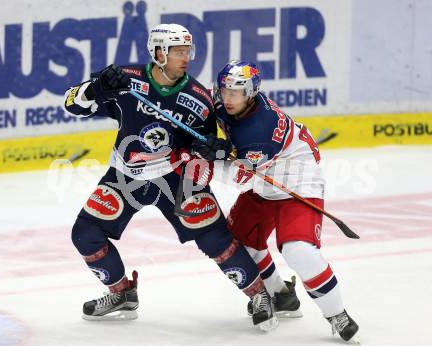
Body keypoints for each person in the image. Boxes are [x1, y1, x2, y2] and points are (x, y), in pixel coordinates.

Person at [63, 25, 278, 331]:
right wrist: (94, 88)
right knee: (85, 234)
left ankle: (260, 294)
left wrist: (209, 150)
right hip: (126, 175)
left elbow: (205, 151)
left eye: (187, 51)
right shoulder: (124, 79)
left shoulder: (199, 98)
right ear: (159, 52)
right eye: (178, 51)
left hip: (175, 177)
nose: (186, 58)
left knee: (214, 237)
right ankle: (121, 293)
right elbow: (72, 104)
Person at [192, 60, 359, 342]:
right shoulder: (223, 101)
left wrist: (213, 156)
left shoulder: (259, 131)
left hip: (296, 182)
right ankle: (282, 296)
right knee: (241, 246)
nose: (228, 98)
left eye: (236, 93)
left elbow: (238, 179)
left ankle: (337, 314)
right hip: (264, 178)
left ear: (252, 93)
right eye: (225, 90)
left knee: (298, 251)